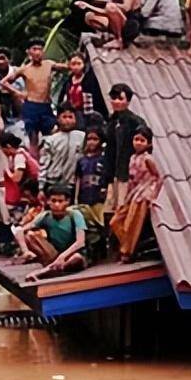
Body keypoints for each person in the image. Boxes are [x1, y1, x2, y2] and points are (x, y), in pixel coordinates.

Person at [109, 126, 163, 263]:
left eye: (142, 140)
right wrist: (126, 197)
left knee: (132, 223)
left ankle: (127, 252)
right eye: (136, 139)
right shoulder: (132, 158)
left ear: (148, 143)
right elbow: (132, 181)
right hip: (134, 193)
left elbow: (159, 177)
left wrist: (153, 195)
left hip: (143, 194)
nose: (138, 143)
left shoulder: (148, 159)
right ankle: (128, 246)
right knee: (115, 221)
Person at [15, 185, 88, 282]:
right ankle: (52, 267)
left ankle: (45, 271)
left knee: (77, 258)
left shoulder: (75, 215)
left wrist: (63, 256)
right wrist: (25, 251)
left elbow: (80, 242)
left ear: (67, 202)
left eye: (60, 201)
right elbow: (19, 230)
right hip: (54, 254)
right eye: (53, 201)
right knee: (30, 236)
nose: (57, 204)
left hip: (71, 254)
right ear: (48, 201)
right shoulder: (45, 216)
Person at [0, 39, 62, 149]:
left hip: (46, 105)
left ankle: (47, 158)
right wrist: (18, 93)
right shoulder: (24, 69)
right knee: (33, 137)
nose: (37, 52)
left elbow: (67, 67)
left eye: (40, 49)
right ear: (29, 52)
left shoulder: (49, 64)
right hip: (31, 105)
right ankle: (34, 162)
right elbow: (4, 82)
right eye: (34, 49)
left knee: (53, 132)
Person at [100, 83, 146, 226]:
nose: (116, 102)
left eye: (120, 99)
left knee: (123, 210)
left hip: (128, 173)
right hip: (113, 173)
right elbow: (109, 150)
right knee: (109, 210)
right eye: (114, 98)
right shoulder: (112, 121)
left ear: (128, 101)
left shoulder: (135, 122)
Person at [0, 131, 40, 226]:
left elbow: (16, 178)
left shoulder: (19, 157)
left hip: (31, 193)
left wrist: (7, 171)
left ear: (8, 146)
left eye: (2, 149)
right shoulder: (20, 155)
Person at [74, 128, 107, 257]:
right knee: (88, 225)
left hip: (99, 197)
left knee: (101, 224)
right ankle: (93, 251)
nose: (92, 142)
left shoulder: (103, 159)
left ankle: (103, 249)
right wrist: (76, 198)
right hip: (84, 197)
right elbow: (78, 180)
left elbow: (107, 178)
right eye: (89, 139)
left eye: (95, 139)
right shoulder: (81, 161)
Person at [38, 106, 85, 195]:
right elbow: (44, 164)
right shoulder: (51, 140)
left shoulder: (82, 137)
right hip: (53, 182)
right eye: (64, 117)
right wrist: (41, 187)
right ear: (58, 119)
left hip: (73, 183)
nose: (67, 120)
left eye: (70, 117)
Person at [53, 52, 107, 129]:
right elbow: (61, 100)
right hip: (73, 116)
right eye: (73, 64)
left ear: (84, 64)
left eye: (79, 64)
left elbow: (98, 98)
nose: (76, 67)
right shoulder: (68, 82)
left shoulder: (90, 80)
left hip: (89, 115)